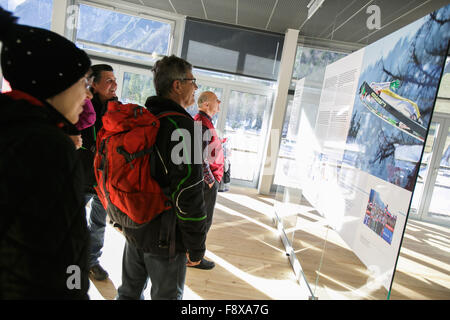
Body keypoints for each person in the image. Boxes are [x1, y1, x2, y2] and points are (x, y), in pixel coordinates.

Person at [0, 8, 92, 299]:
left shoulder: (11, 128)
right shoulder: (49, 146)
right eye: (83, 83)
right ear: (56, 84)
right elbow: (69, 252)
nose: (88, 95)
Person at [116, 55, 207, 300]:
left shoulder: (143, 119)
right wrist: (196, 245)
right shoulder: (184, 128)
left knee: (127, 294)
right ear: (177, 85)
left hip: (135, 226)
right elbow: (188, 192)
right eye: (192, 81)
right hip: (165, 237)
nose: (195, 87)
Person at [78, 64, 117, 281]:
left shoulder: (117, 108)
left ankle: (92, 262)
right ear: (94, 83)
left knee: (99, 223)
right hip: (80, 174)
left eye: (115, 80)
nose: (114, 85)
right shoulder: (81, 104)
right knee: (74, 221)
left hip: (104, 179)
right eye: (109, 80)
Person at [191, 91, 225, 270]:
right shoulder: (201, 123)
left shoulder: (205, 122)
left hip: (208, 180)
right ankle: (194, 258)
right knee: (203, 220)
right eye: (215, 100)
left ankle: (193, 254)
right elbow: (197, 155)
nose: (219, 102)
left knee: (203, 220)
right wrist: (209, 180)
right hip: (206, 183)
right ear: (205, 105)